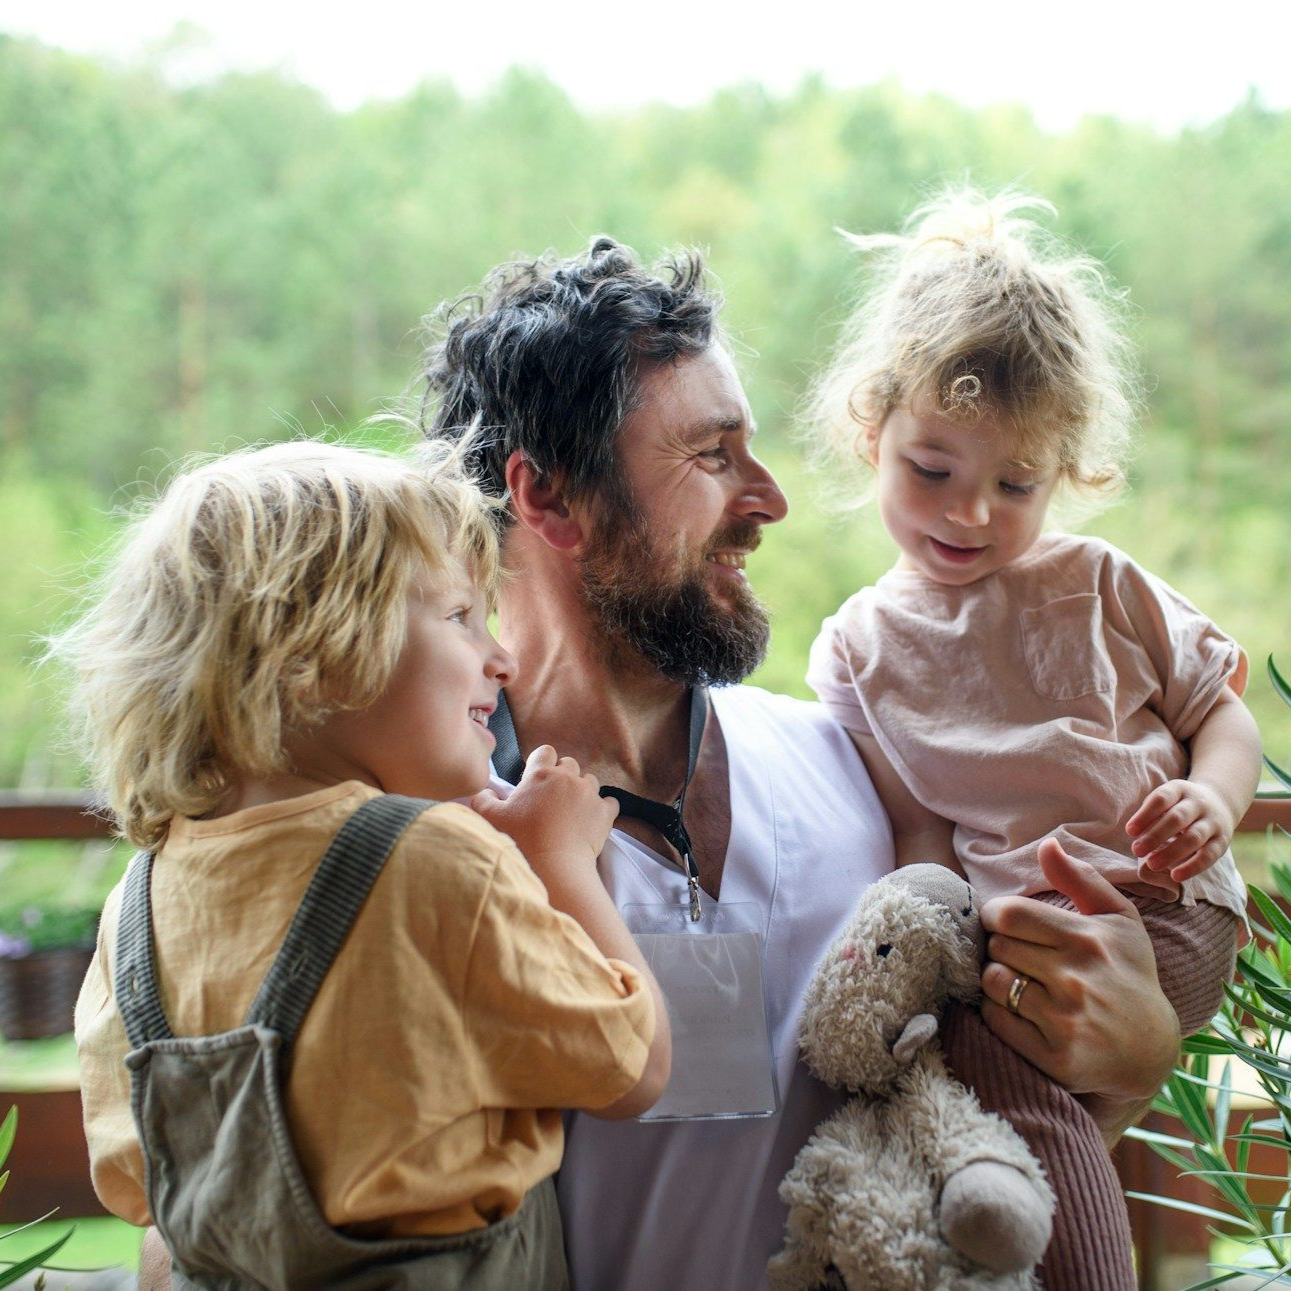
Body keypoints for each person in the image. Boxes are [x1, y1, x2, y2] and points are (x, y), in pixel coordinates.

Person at [418, 236, 1184, 1291]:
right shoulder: (432, 841)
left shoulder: (859, 767)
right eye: (711, 454)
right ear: (549, 500)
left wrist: (1138, 1062)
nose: (769, 498)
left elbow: (985, 1140)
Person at [63, 440, 670, 1289]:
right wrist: (556, 859)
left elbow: (141, 1186)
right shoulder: (436, 860)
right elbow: (632, 1066)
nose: (500, 657)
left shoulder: (139, 899)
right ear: (313, 655)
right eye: (460, 616)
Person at [804, 190, 1263, 1289]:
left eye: (1014, 484)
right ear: (872, 433)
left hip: (1157, 904)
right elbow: (919, 838)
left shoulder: (1099, 584)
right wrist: (923, 966)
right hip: (1011, 936)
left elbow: (1223, 715)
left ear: (1066, 471)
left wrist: (1212, 801)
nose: (969, 514)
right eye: (933, 471)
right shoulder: (858, 648)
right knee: (984, 1087)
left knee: (997, 1088)